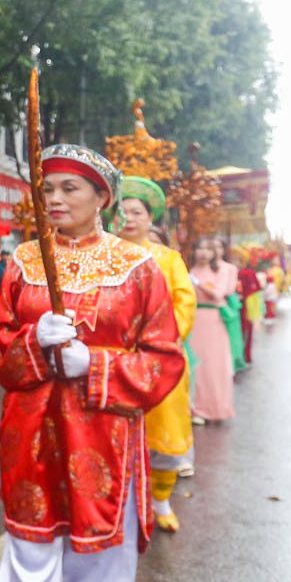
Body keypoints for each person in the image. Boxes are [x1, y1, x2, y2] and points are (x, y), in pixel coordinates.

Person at [0, 143, 183, 582]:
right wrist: (32, 341)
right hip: (32, 437)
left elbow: (164, 359)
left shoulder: (138, 268)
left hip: (105, 441)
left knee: (97, 566)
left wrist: (97, 362)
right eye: (48, 189)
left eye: (70, 188)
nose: (56, 199)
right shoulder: (22, 263)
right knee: (29, 563)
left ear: (103, 198)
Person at [111, 177, 197, 531]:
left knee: (164, 435)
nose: (129, 218)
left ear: (150, 218)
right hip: (113, 359)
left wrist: (157, 343)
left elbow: (184, 304)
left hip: (160, 361)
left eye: (137, 212)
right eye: (123, 212)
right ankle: (115, 504)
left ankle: (160, 499)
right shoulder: (103, 256)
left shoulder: (168, 258)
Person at [187, 236, 238, 423]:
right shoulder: (191, 270)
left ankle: (215, 408)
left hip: (214, 320)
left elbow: (218, 293)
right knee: (196, 365)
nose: (203, 253)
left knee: (214, 365)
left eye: (208, 249)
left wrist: (197, 284)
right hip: (194, 319)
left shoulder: (221, 271)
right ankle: (196, 408)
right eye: (200, 248)